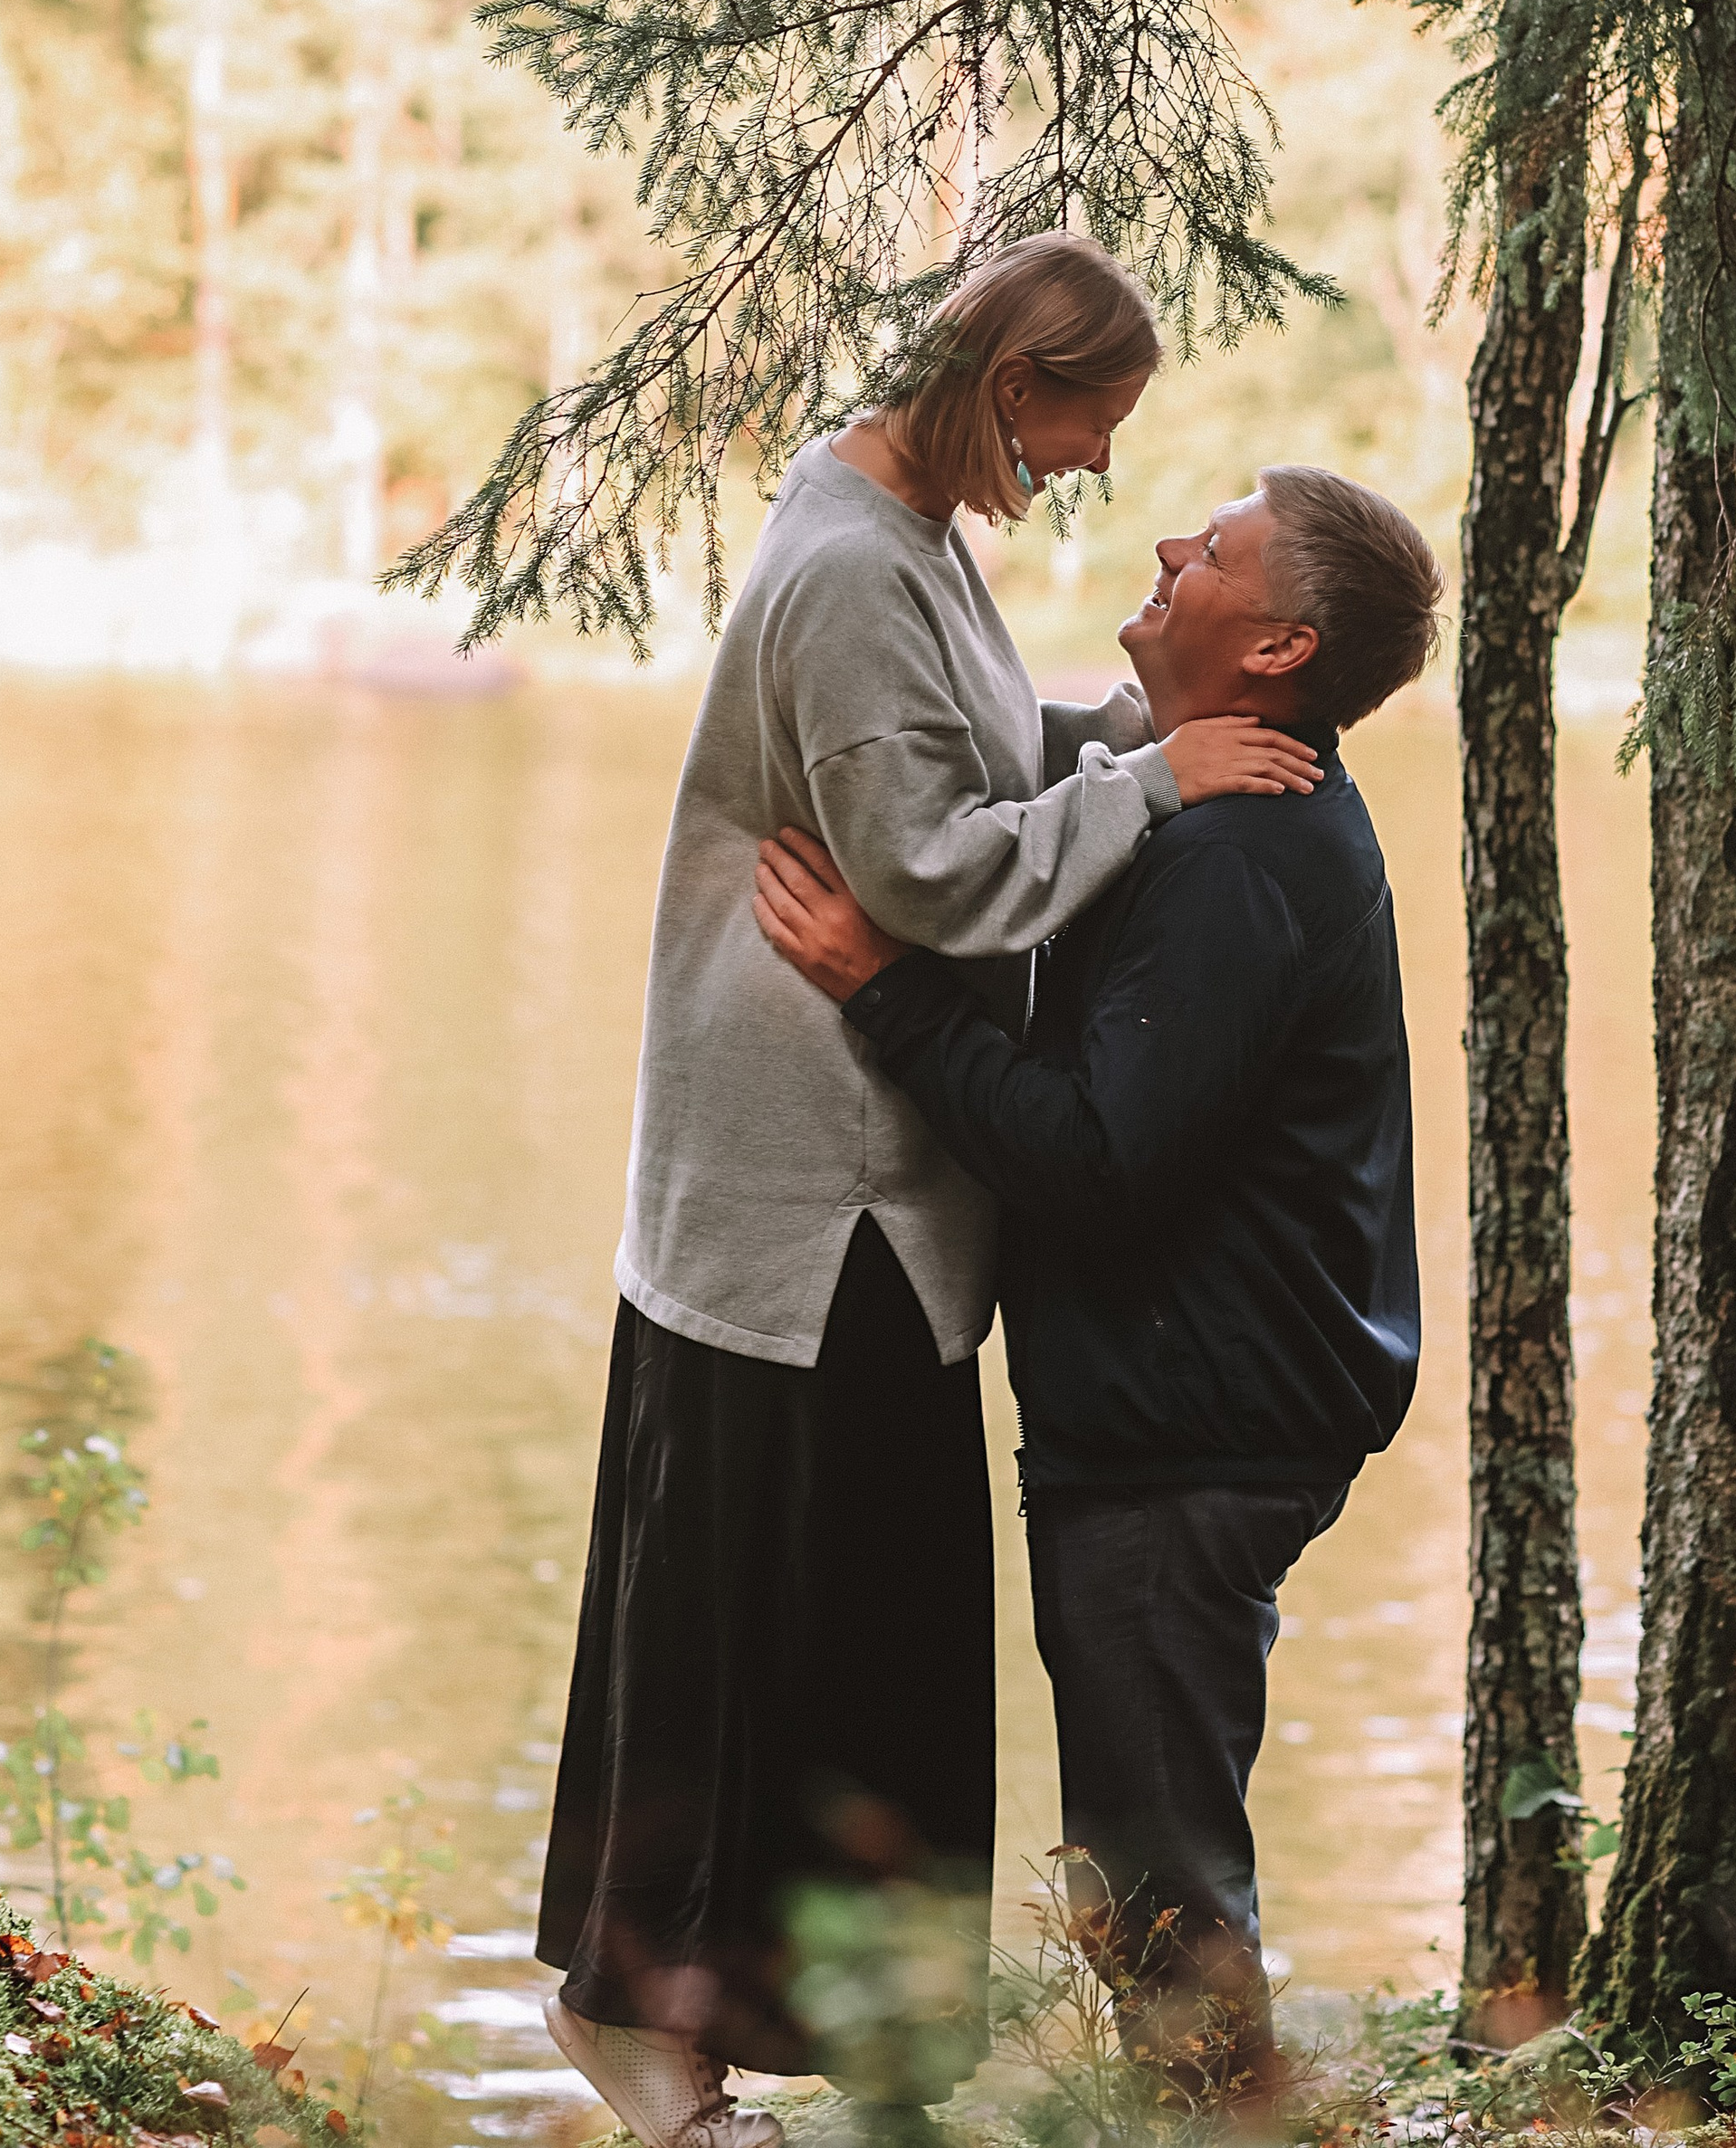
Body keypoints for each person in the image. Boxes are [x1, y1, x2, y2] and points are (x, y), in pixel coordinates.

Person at [537, 238, 1321, 2148]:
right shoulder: (846, 569)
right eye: (1083, 421)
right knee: (775, 1608)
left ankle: (714, 2036)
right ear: (1004, 385)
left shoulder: (894, 531)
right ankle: (642, 2026)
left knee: (827, 1611)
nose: (1087, 467)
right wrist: (1150, 792)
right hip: (815, 1185)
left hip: (859, 1173)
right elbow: (929, 875)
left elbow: (970, 775)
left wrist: (1126, 745)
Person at [751, 464, 1441, 2100]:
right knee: (1150, 1868)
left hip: (1190, 1441)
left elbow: (1098, 1162)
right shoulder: (1213, 810)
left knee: (1157, 1889)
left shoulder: (1243, 860)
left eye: (1215, 550)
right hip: (1189, 1415)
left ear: (1276, 648)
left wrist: (888, 992)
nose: (1171, 548)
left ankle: (1215, 2131)